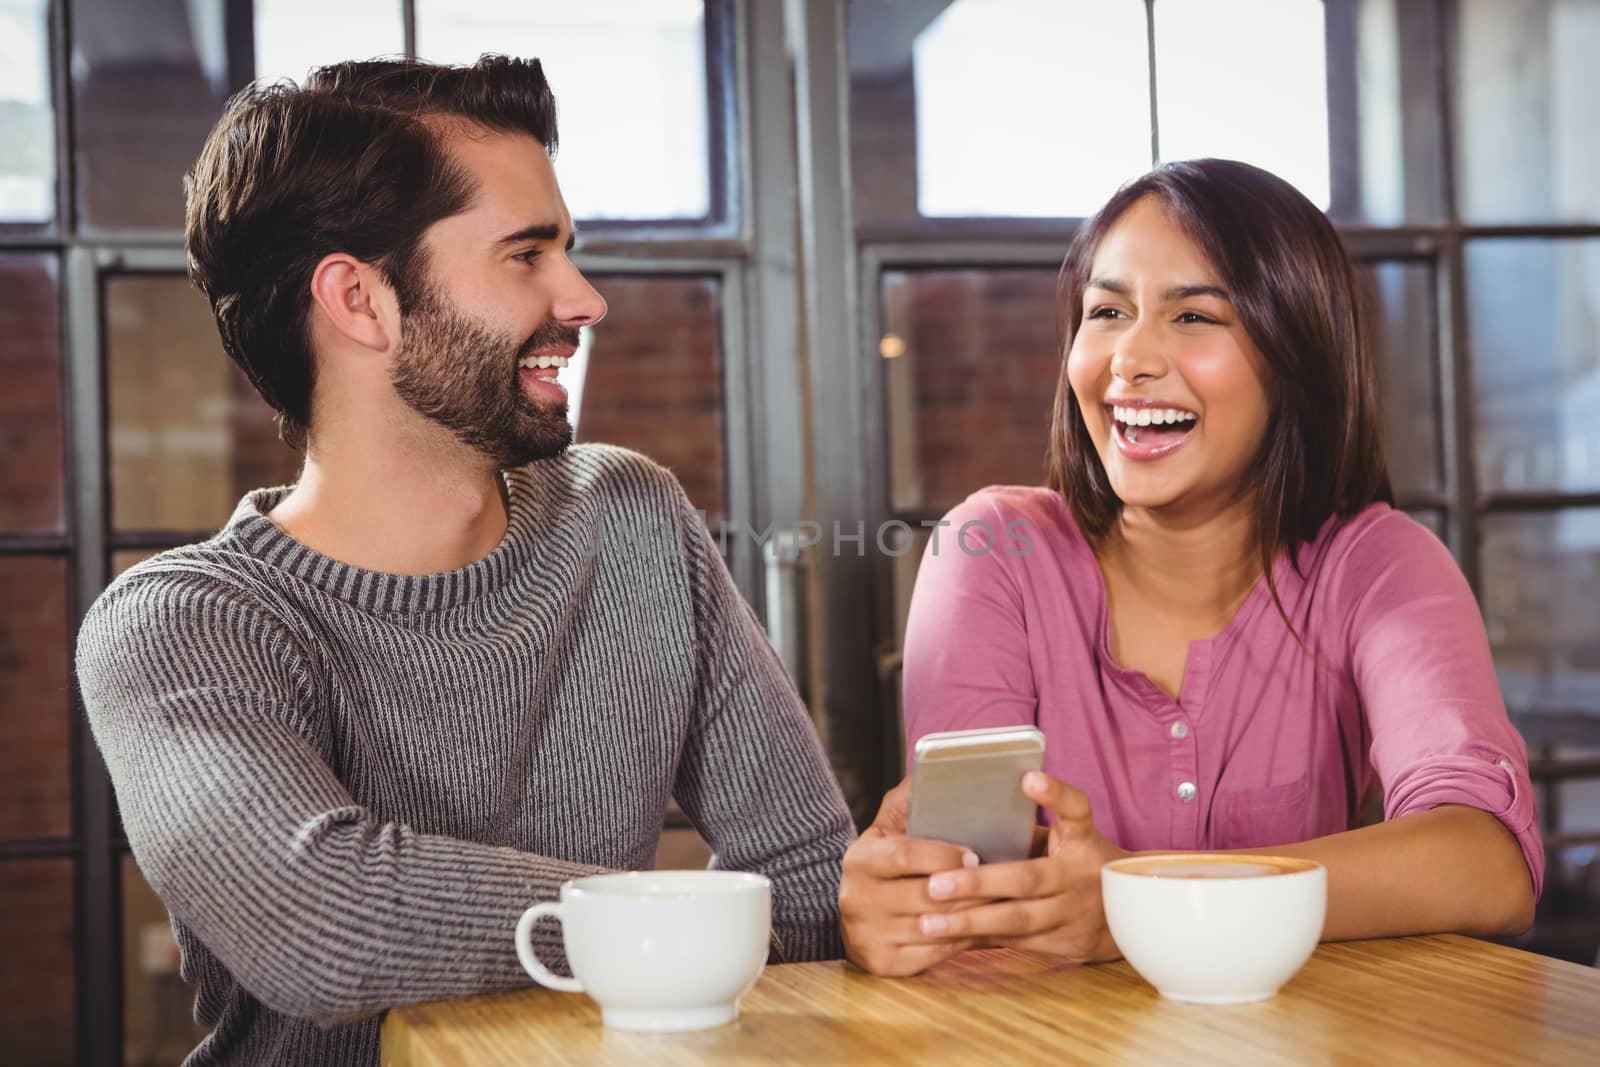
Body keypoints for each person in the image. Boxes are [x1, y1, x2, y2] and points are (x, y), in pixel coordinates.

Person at [76, 56, 854, 1065]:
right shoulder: (182, 625)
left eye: (565, 250)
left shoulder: (630, 517)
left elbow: (807, 876)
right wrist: (690, 932)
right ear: (361, 300)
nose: (583, 300)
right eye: (526, 255)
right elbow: (328, 925)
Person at [838, 159, 1541, 977]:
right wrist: (899, 909)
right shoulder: (994, 549)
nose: (1130, 359)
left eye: (1194, 316)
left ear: (1295, 354)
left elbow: (1487, 862)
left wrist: (1136, 899)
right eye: (1107, 311)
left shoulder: (1377, 566)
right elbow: (970, 898)